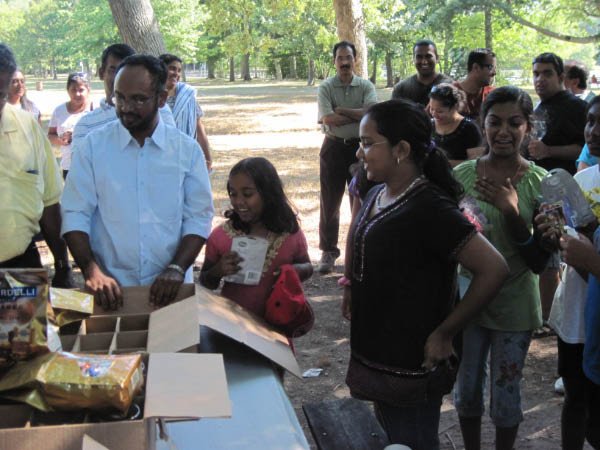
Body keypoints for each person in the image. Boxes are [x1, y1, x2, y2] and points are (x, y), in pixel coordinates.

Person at [343, 99, 508, 450]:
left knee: (413, 440)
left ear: (401, 150)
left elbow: (494, 268)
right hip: (382, 350)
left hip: (414, 358)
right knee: (393, 438)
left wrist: (446, 332)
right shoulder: (378, 192)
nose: (359, 153)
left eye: (368, 143)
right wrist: (351, 287)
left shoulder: (431, 207)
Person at [61, 55, 213, 310]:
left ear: (161, 99)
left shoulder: (186, 151)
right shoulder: (92, 148)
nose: (126, 107)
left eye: (138, 99)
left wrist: (177, 268)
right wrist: (91, 269)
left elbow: (198, 216)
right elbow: (75, 213)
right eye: (120, 97)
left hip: (172, 291)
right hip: (111, 292)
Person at [453, 86, 551, 450]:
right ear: (483, 124)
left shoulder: (542, 183)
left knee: (507, 392)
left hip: (516, 304)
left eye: (515, 122)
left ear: (529, 127)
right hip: (468, 302)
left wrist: (511, 212)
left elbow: (539, 261)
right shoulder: (462, 177)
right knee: (466, 389)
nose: (504, 131)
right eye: (495, 122)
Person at [537, 95, 600, 449]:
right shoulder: (582, 179)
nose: (594, 131)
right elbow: (560, 242)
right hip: (576, 310)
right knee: (576, 398)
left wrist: (591, 259)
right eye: (590, 121)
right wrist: (550, 234)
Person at [200, 157, 313, 318]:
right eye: (233, 194)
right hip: (233, 324)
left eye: (247, 194)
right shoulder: (221, 237)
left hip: (277, 325)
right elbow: (206, 281)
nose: (239, 201)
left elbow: (307, 266)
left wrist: (293, 271)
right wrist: (218, 270)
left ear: (268, 193)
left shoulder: (289, 234)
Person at [0, 43, 73, 287]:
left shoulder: (27, 126)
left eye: (0, 95)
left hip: (21, 268)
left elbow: (50, 202)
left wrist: (63, 265)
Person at [316, 40, 377, 274]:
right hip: (332, 148)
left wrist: (341, 110)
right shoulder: (326, 87)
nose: (344, 62)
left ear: (355, 60)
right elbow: (328, 119)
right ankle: (328, 251)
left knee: (361, 200)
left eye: (348, 58)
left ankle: (360, 250)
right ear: (334, 61)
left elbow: (371, 113)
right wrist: (357, 115)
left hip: (360, 150)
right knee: (329, 202)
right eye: (340, 58)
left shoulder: (365, 86)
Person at [72, 44, 175, 147]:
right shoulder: (86, 125)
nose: (121, 77)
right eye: (114, 70)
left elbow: (170, 147)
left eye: (128, 72)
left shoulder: (158, 109)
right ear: (101, 73)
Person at [527, 52, 587, 175]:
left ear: (560, 78)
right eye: (536, 74)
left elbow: (587, 150)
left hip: (565, 181)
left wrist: (548, 151)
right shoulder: (538, 106)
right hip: (538, 177)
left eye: (547, 73)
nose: (540, 79)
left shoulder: (578, 107)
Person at [159, 53, 212, 170]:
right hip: (158, 158)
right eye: (172, 69)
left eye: (179, 70)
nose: (176, 74)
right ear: (160, 70)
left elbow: (198, 127)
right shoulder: (150, 96)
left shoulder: (188, 95)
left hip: (186, 157)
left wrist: (207, 157)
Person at [48, 72, 93, 178]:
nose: (77, 94)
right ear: (68, 90)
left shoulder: (95, 110)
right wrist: (61, 140)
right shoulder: (59, 111)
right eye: (73, 90)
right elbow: (50, 135)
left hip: (92, 166)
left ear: (88, 90)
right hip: (69, 166)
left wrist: (77, 135)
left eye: (81, 90)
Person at [429, 83, 482, 166]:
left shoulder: (469, 129)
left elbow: (475, 163)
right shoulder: (429, 125)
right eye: (431, 109)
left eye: (440, 111)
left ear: (455, 107)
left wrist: (445, 164)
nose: (434, 114)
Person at [391, 39, 453, 106]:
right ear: (413, 59)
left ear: (437, 58)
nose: (424, 61)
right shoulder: (401, 89)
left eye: (428, 56)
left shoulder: (450, 86)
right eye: (419, 57)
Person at [453, 48, 496, 123]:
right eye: (490, 67)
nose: (494, 73)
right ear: (476, 67)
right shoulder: (450, 93)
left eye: (495, 68)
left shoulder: (493, 95)